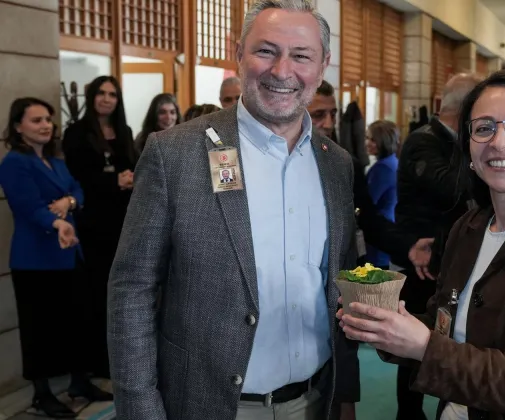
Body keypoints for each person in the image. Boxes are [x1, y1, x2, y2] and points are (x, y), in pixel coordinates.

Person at [107, 2, 359, 420]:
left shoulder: (336, 163)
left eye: (301, 56)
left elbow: (339, 283)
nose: (281, 70)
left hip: (316, 401)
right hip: (211, 406)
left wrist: (345, 394)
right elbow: (132, 289)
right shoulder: (175, 154)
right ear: (238, 52)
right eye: (266, 51)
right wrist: (139, 409)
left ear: (323, 65)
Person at [339, 68, 505, 420]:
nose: (499, 142)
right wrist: (388, 327)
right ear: (467, 147)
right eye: (484, 128)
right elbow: (445, 324)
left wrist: (422, 345)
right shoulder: (467, 228)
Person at [0, 97, 112, 418]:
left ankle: (79, 382)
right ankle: (41, 393)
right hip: (35, 259)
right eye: (36, 120)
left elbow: (78, 191)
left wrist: (69, 204)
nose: (45, 125)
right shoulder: (14, 163)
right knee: (40, 329)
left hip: (69, 254)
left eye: (48, 119)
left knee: (77, 321)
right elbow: (27, 206)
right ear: (18, 126)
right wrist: (58, 220)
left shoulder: (55, 160)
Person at [392, 73, 482, 420]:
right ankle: (409, 414)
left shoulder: (450, 140)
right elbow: (454, 189)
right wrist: (472, 146)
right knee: (413, 341)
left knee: (449, 338)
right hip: (423, 258)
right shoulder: (423, 141)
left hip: (451, 255)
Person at [307, 81, 431, 267]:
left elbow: (369, 220)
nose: (329, 123)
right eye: (318, 115)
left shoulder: (344, 164)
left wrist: (409, 246)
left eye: (333, 114)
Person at [62, 75, 137, 379]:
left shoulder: (124, 130)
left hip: (123, 219)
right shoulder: (77, 133)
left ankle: (119, 357)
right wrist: (113, 181)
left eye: (113, 94)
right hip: (92, 221)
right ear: (92, 96)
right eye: (101, 93)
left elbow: (130, 163)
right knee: (95, 293)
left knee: (121, 292)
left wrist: (129, 178)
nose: (107, 99)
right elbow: (75, 176)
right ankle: (95, 362)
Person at [363, 120, 400, 267]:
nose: (368, 143)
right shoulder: (392, 162)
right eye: (367, 138)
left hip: (378, 231)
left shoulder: (382, 168)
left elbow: (367, 201)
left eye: (372, 139)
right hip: (387, 227)